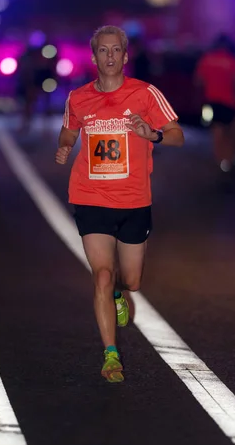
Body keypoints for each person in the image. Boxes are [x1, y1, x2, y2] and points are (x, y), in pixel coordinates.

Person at [55, 25, 184, 383]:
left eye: (116, 51)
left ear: (125, 57)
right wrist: (65, 144)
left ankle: (119, 293)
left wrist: (153, 134)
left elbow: (178, 135)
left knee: (131, 280)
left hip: (133, 201)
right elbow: (69, 128)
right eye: (102, 51)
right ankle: (110, 355)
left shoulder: (145, 94)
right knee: (101, 274)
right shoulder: (78, 98)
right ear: (94, 57)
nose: (109, 56)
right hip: (90, 196)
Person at [194, 34, 235, 175]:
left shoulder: (206, 60)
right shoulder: (234, 62)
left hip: (211, 101)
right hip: (232, 102)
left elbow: (198, 81)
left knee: (217, 129)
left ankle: (220, 160)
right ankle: (230, 159)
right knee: (233, 131)